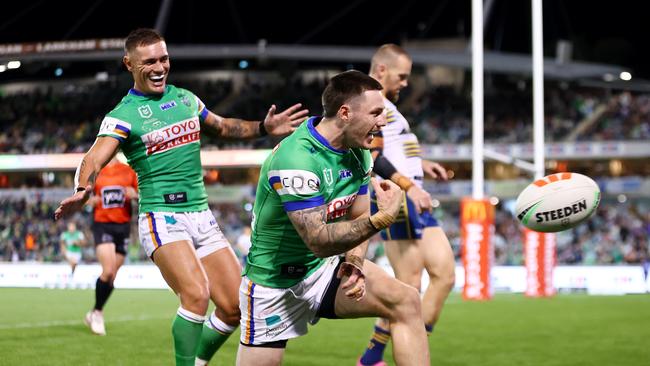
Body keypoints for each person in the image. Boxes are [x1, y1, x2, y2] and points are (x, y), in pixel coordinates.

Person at [54, 28, 308, 366]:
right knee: (196, 294)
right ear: (128, 64)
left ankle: (198, 361)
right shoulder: (123, 114)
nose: (159, 67)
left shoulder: (187, 99)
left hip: (201, 215)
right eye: (149, 62)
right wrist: (83, 190)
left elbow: (222, 127)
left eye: (164, 59)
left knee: (235, 308)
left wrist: (263, 128)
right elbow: (92, 159)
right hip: (162, 216)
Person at [237, 70, 430, 366]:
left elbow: (360, 214)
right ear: (345, 113)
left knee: (406, 300)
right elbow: (319, 240)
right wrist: (383, 218)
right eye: (376, 112)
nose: (383, 121)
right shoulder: (296, 160)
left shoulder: (359, 152)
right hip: (272, 285)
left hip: (322, 272)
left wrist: (354, 261)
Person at [357, 44, 456, 366]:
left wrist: (421, 166)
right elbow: (372, 157)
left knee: (444, 276)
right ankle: (388, 355)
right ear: (382, 70)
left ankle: (383, 353)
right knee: (410, 285)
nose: (406, 83)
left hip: (413, 195)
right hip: (398, 198)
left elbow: (393, 150)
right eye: (402, 76)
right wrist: (409, 185)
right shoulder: (373, 103)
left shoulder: (386, 105)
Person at [83, 157, 138, 336]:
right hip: (102, 224)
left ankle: (94, 311)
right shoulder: (96, 170)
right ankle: (98, 313)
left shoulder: (128, 171)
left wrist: (135, 195)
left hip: (122, 227)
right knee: (107, 271)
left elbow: (142, 194)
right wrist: (91, 201)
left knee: (112, 276)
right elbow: (84, 197)